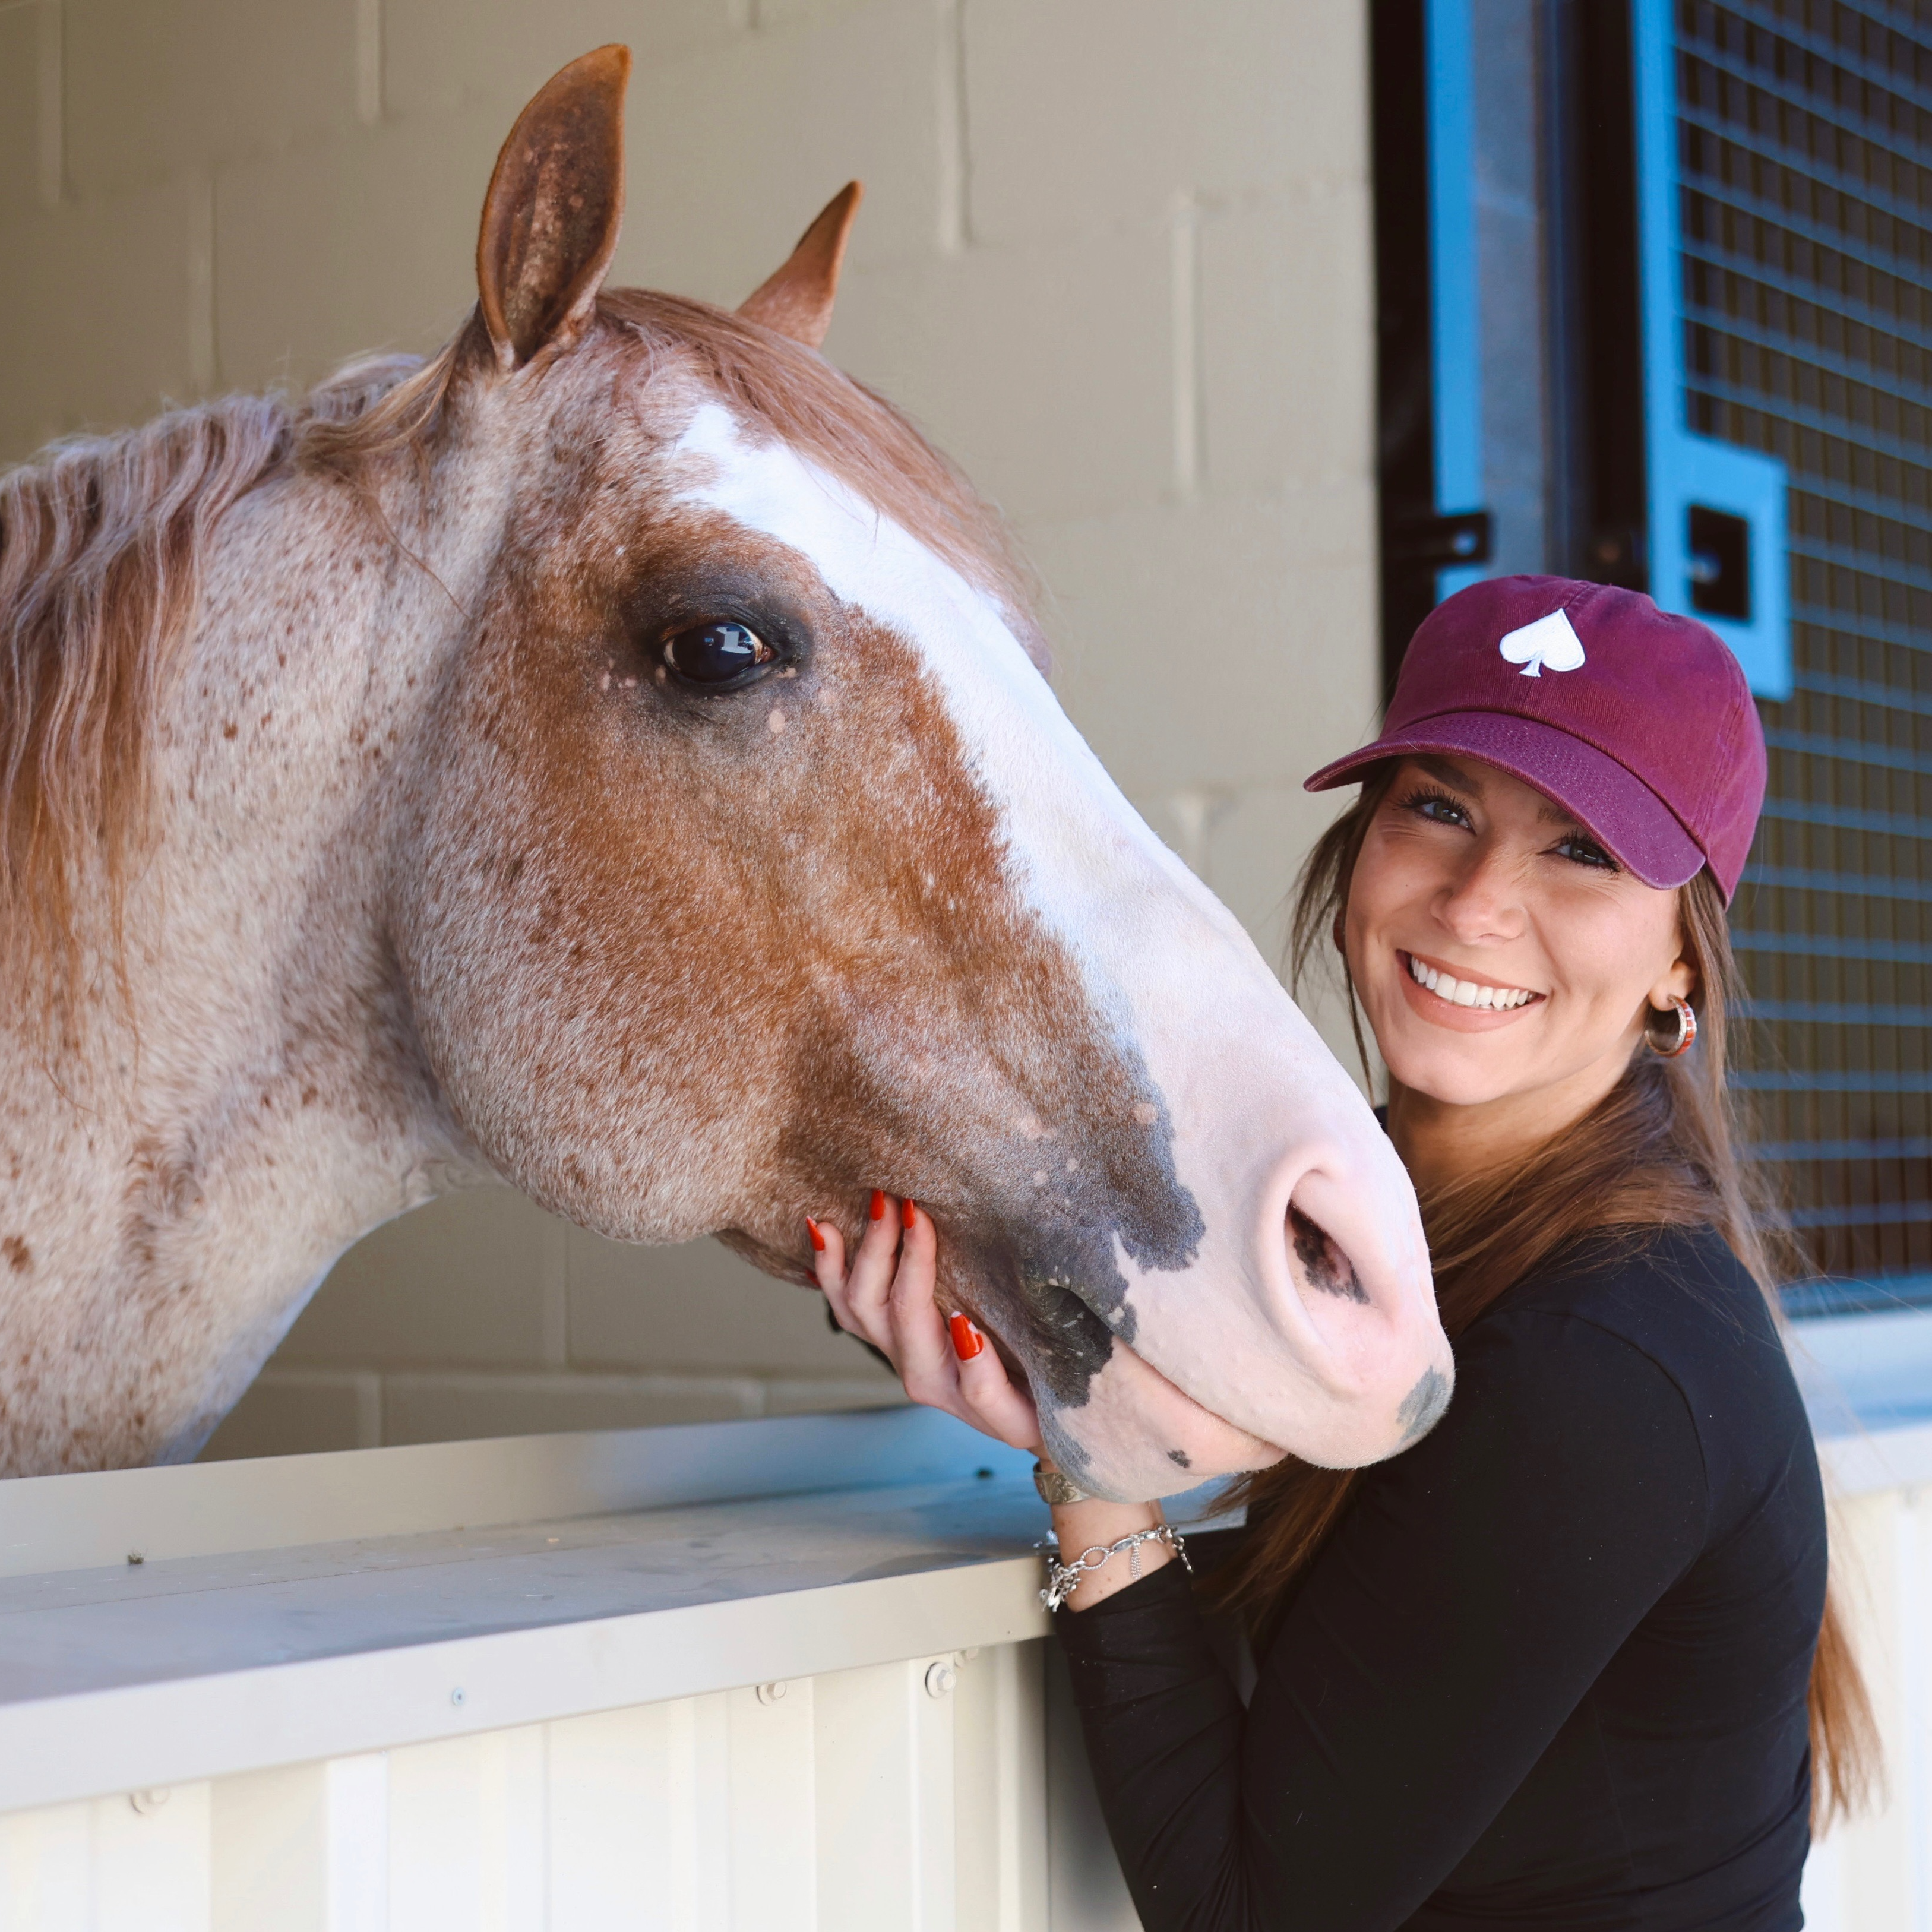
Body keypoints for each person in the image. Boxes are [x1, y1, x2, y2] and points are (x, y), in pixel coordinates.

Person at [807, 576, 1876, 1930]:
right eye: (1439, 808)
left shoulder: (1607, 1360)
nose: (1478, 900)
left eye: (1583, 851)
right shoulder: (1351, 1225)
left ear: (1682, 964)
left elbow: (1249, 1912)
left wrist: (1090, 1471)